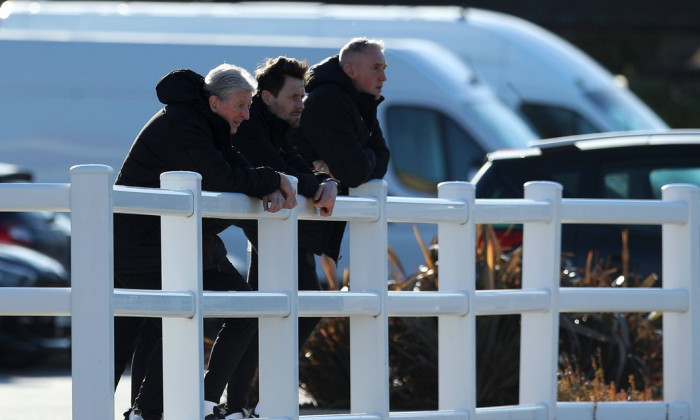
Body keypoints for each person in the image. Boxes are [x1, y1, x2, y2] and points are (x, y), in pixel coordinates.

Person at [112, 63, 296, 420]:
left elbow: (235, 170)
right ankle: (146, 413)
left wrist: (273, 180)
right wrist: (272, 178)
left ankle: (204, 402)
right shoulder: (185, 124)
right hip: (141, 246)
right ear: (215, 102)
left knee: (244, 311)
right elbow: (221, 178)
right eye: (241, 105)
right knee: (174, 322)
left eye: (249, 106)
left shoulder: (208, 124)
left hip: (186, 247)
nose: (246, 114)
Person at [222, 56, 339, 419]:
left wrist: (323, 182)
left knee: (278, 310)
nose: (300, 104)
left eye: (302, 96)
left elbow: (294, 167)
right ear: (268, 96)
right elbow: (277, 169)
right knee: (277, 310)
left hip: (277, 225)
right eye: (293, 97)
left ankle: (243, 402)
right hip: (260, 224)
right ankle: (241, 402)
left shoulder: (276, 123)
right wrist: (317, 183)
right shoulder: (252, 123)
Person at [290, 36, 390, 270]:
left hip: (303, 223)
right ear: (349, 70)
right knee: (291, 300)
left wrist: (363, 157)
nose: (383, 77)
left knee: (293, 301)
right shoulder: (329, 100)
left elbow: (383, 157)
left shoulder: (360, 101)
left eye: (384, 69)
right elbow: (354, 172)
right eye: (376, 68)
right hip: (292, 222)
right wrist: (366, 156)